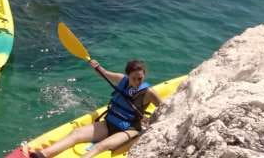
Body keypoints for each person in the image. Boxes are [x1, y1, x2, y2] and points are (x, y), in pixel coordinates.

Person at [26, 59, 162, 158]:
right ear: (127, 76)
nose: (137, 82)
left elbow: (167, 109)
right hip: (110, 123)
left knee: (100, 147)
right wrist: (96, 66)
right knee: (76, 134)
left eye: (140, 78)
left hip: (129, 130)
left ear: (144, 75)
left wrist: (151, 122)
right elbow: (104, 73)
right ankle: (43, 154)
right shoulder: (122, 80)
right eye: (134, 79)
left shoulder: (149, 93)